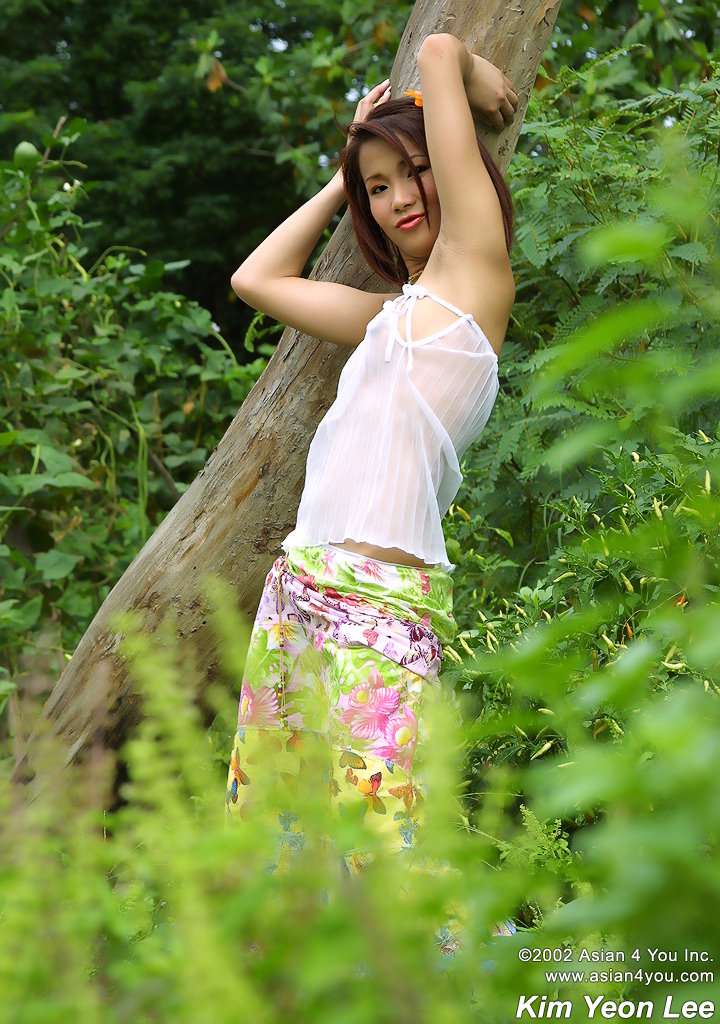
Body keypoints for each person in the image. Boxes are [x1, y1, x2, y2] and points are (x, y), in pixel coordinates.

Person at [225, 33, 519, 955]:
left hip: (380, 606)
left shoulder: (476, 273)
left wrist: (480, 84)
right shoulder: (387, 317)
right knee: (277, 845)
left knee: (394, 850)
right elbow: (255, 280)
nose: (398, 199)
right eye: (378, 188)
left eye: (413, 172)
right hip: (298, 597)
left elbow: (438, 46)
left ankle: (500, 995)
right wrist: (340, 177)